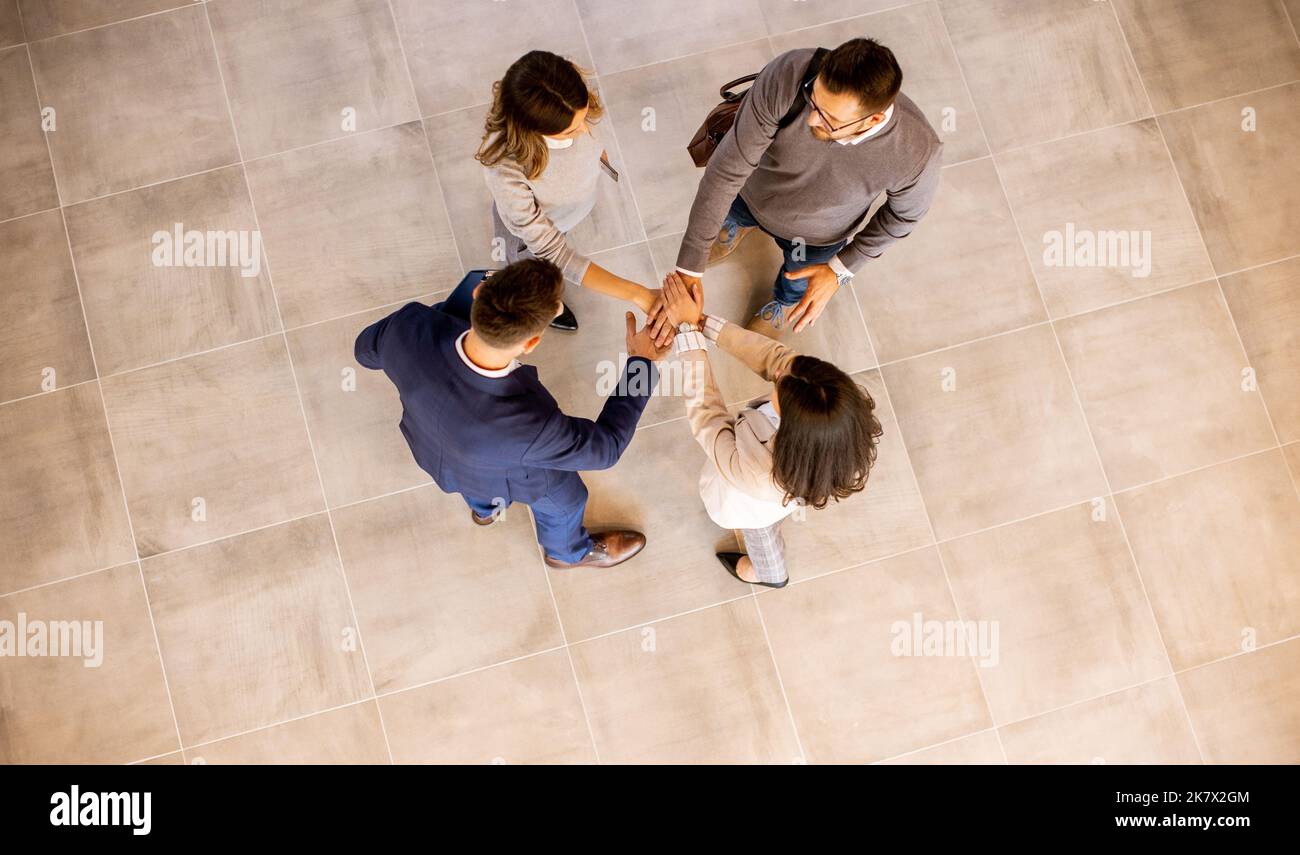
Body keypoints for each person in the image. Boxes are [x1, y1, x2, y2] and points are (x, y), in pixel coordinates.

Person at [354, 258, 668, 569]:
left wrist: (438, 324)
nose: (559, 309)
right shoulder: (533, 425)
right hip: (512, 473)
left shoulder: (408, 326)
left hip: (434, 454)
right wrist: (641, 362)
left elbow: (364, 350)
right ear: (531, 343)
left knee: (476, 482)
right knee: (567, 501)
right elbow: (606, 448)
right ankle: (566, 553)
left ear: (478, 291)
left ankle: (485, 510)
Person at [673, 38, 943, 335]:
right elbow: (726, 172)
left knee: (797, 280)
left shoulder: (917, 152)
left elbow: (903, 217)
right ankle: (736, 227)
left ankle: (783, 303)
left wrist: (839, 270)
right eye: (813, 99)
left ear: (873, 120)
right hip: (749, 195)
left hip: (815, 239)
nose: (811, 118)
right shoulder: (789, 74)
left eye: (829, 118)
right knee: (733, 212)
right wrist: (690, 266)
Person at [660, 272, 883, 586]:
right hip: (791, 488)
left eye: (779, 383)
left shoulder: (758, 474)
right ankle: (770, 570)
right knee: (766, 524)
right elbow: (776, 358)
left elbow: (708, 418)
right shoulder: (833, 405)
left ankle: (769, 574)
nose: (778, 372)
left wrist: (688, 334)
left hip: (751, 500)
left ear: (790, 425)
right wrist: (702, 323)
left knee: (760, 529)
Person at [478, 50, 665, 340]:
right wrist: (637, 293)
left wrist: (597, 155)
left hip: (564, 213)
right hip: (529, 238)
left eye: (584, 119)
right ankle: (549, 305)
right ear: (532, 130)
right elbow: (552, 249)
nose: (583, 131)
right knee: (527, 271)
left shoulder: (566, 93)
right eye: (570, 131)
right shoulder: (506, 168)